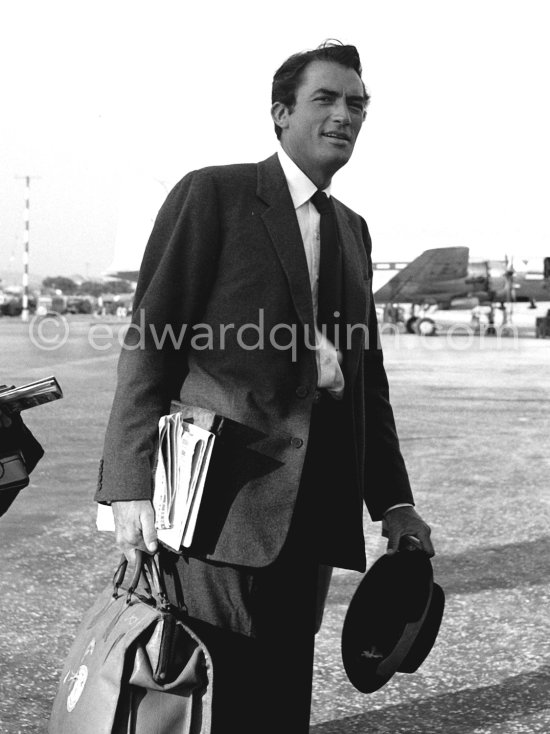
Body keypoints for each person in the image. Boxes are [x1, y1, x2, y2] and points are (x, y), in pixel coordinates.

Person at [95, 41, 434, 734]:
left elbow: (367, 384)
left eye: (358, 105)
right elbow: (150, 342)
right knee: (211, 693)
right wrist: (128, 485)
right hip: (219, 506)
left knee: (282, 697)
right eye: (327, 100)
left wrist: (393, 501)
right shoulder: (213, 195)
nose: (346, 115)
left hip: (310, 513)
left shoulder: (351, 230)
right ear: (280, 114)